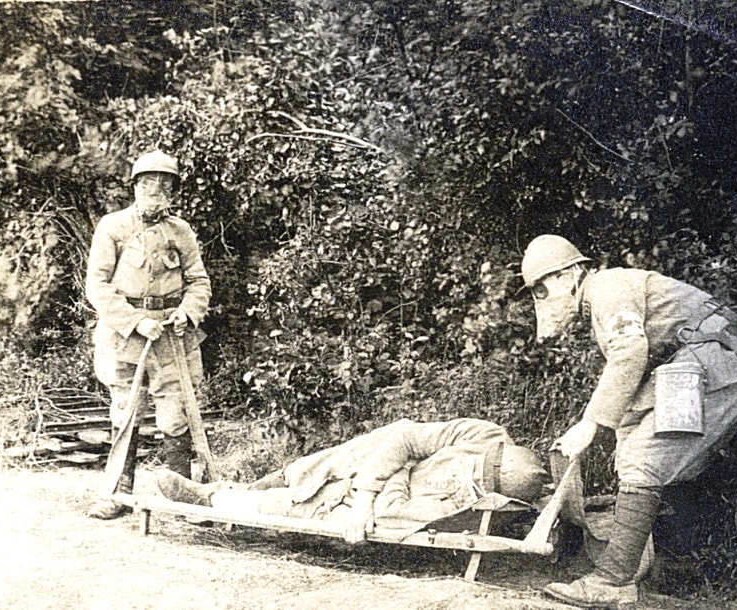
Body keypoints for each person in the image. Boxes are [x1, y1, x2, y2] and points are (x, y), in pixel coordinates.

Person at [520, 235, 737, 607]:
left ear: (568, 275)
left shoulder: (607, 287)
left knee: (644, 458)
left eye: (542, 288)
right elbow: (638, 372)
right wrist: (617, 426)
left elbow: (629, 353)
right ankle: (667, 565)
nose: (541, 299)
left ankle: (613, 581)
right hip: (705, 364)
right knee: (638, 448)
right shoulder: (605, 294)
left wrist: (590, 424)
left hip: (716, 362)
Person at [154, 418, 547, 543]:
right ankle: (229, 490)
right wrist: (397, 468)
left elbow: (394, 514)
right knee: (341, 455)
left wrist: (383, 481)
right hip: (378, 473)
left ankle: (209, 503)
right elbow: (408, 436)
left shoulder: (467, 506)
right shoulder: (486, 435)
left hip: (361, 503)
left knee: (306, 502)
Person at [86, 150, 212, 520]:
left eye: (165, 185)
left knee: (176, 414)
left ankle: (181, 496)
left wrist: (186, 313)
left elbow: (198, 281)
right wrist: (135, 321)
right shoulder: (113, 227)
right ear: (136, 186)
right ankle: (117, 494)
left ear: (173, 191)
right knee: (125, 412)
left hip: (172, 338)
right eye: (149, 183)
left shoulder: (181, 231)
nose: (156, 191)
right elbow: (97, 285)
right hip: (126, 335)